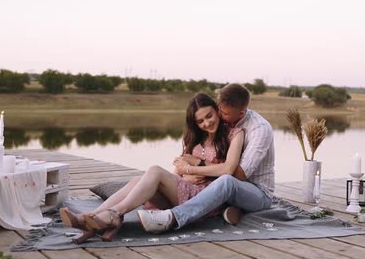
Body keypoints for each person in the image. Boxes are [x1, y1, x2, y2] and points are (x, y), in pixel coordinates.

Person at [59, 93, 245, 243]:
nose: (206, 123)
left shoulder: (234, 135)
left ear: (217, 111)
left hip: (207, 201)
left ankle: (114, 214)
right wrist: (185, 175)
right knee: (137, 180)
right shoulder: (196, 139)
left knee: (155, 170)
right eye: (200, 121)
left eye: (209, 116)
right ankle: (90, 217)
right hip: (185, 193)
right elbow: (178, 172)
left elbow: (228, 170)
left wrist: (191, 170)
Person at [137, 83, 275, 233]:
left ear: (241, 113)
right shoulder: (226, 119)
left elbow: (238, 175)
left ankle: (173, 217)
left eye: (225, 114)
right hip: (224, 187)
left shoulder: (259, 129)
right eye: (219, 110)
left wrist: (197, 166)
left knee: (227, 182)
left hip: (257, 193)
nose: (220, 116)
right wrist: (185, 176)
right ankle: (229, 210)